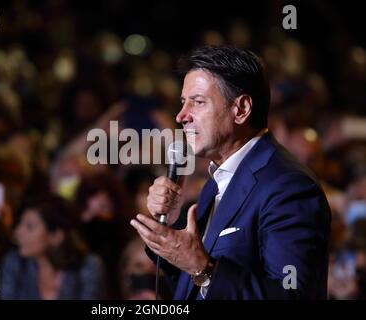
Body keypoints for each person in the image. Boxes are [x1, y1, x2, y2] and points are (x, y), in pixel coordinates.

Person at [130, 45, 331, 299]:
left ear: (241, 109)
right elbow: (194, 286)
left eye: (198, 102)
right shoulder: (216, 183)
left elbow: (291, 294)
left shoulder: (290, 187)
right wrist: (171, 231)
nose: (181, 116)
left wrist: (202, 267)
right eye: (183, 103)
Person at [0, 194, 105, 300]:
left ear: (56, 237)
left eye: (29, 227)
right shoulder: (15, 263)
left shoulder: (88, 266)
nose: (18, 232)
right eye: (20, 224)